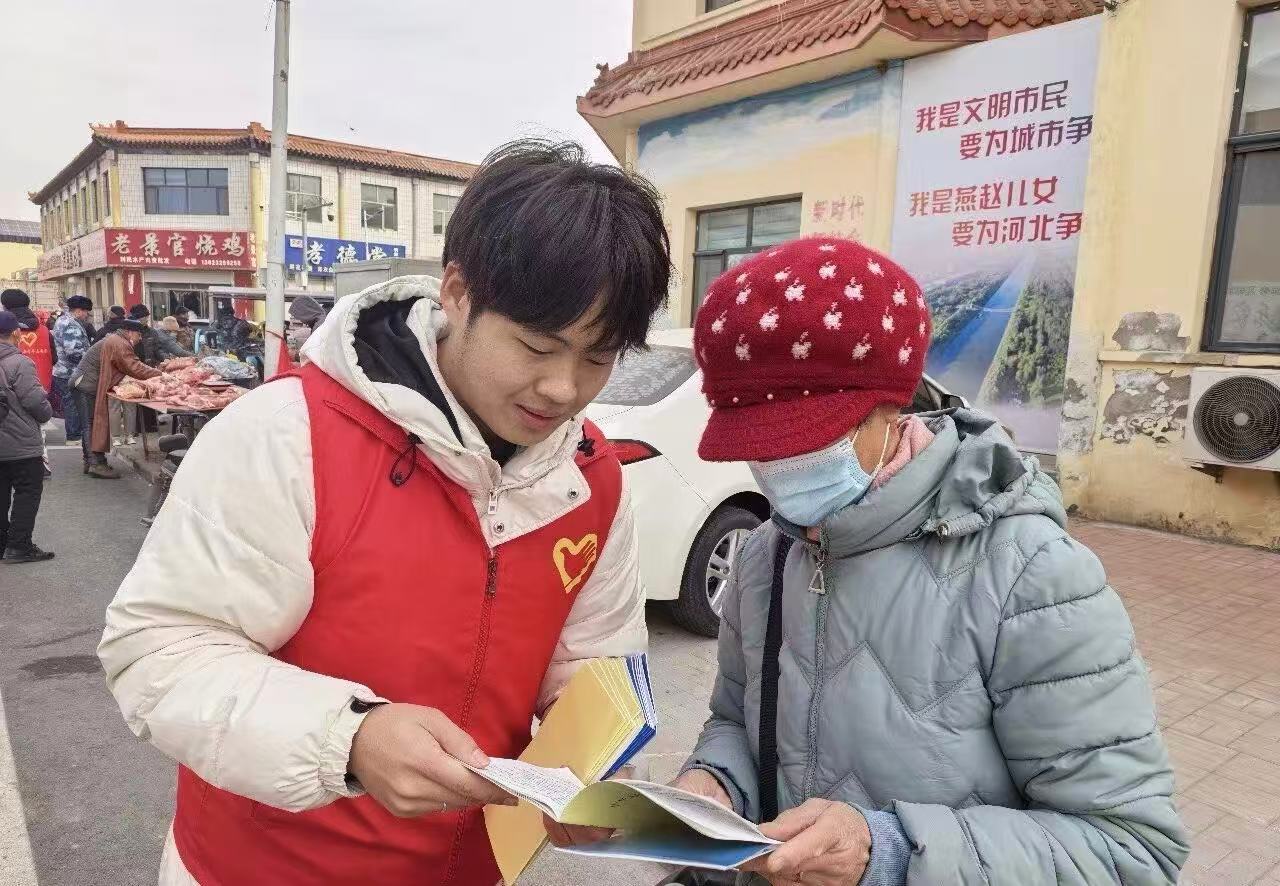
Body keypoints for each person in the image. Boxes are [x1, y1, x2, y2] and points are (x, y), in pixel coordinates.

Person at [97, 139, 672, 885]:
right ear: (457, 292)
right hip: (259, 869)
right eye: (537, 346)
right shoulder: (287, 434)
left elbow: (597, 663)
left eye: (597, 357)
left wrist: (595, 762)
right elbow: (160, 650)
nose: (563, 388)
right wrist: (349, 739)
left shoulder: (592, 478)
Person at [666, 237, 1187, 885]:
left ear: (893, 407)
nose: (780, 468)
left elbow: (1131, 850)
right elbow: (735, 720)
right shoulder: (765, 555)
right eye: (759, 444)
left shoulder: (1029, 575)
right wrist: (715, 784)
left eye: (807, 441)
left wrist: (891, 852)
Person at [72, 320, 161, 479]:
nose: (140, 338)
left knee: (92, 423)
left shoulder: (116, 340)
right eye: (139, 334)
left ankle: (92, 460)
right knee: (91, 424)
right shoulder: (119, 342)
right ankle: (95, 464)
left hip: (86, 383)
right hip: (85, 384)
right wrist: (160, 374)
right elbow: (134, 366)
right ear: (129, 332)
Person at [0, 310, 55, 562]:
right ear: (15, 333)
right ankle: (18, 546)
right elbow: (34, 401)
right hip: (20, 442)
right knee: (27, 491)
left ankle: (2, 544)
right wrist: (46, 412)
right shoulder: (19, 363)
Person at [52, 295, 95, 443]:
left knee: (71, 402)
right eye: (86, 312)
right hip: (70, 372)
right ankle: (74, 435)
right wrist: (91, 362)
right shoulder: (70, 324)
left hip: (63, 371)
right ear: (78, 310)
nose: (86, 315)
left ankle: (74, 434)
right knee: (73, 403)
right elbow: (74, 352)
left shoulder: (62, 320)